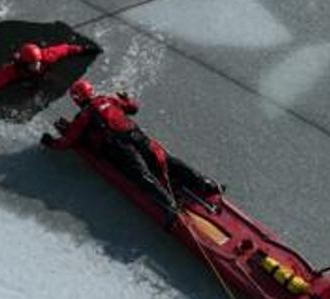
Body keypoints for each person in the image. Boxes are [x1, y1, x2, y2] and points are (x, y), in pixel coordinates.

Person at [41, 80, 220, 229]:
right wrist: (126, 98)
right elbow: (133, 108)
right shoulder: (109, 99)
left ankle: (169, 207)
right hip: (137, 135)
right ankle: (206, 183)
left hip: (121, 146)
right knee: (166, 160)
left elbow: (68, 141)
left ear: (77, 99)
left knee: (142, 176)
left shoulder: (84, 116)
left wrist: (51, 142)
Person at [0, 41, 91, 106]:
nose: (37, 65)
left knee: (55, 79)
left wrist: (82, 49)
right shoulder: (12, 70)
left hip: (41, 74)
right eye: (33, 63)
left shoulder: (46, 55)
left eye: (38, 62)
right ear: (25, 63)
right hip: (24, 78)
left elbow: (65, 49)